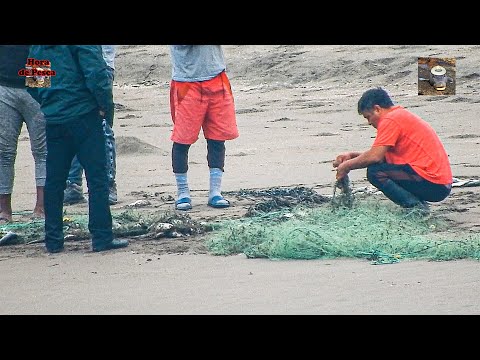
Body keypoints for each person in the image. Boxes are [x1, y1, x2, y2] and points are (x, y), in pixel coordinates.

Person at [27, 45, 128, 253]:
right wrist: (105, 109)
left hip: (55, 118)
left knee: (54, 181)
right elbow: (97, 75)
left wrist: (50, 103)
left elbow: (33, 85)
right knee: (97, 179)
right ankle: (101, 237)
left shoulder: (38, 46)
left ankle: (53, 240)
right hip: (84, 115)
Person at [333, 87, 452, 212]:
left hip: (435, 183)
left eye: (368, 117)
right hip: (440, 183)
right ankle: (418, 205)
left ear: (377, 109)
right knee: (380, 166)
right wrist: (352, 156)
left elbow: (375, 157)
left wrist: (346, 166)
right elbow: (380, 156)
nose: (369, 122)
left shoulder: (390, 119)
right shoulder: (399, 115)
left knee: (375, 172)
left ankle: (416, 208)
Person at [169, 45, 239, 211]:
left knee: (217, 138)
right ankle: (183, 192)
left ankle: (215, 192)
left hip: (217, 78)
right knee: (182, 140)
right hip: (186, 82)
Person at [63, 45, 118, 205]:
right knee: (70, 125)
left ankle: (106, 185)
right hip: (67, 66)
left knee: (102, 126)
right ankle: (72, 184)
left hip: (99, 65)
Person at [0, 45, 47, 223]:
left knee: (42, 151)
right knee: (4, 152)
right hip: (4, 81)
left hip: (37, 71)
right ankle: (4, 210)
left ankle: (41, 207)